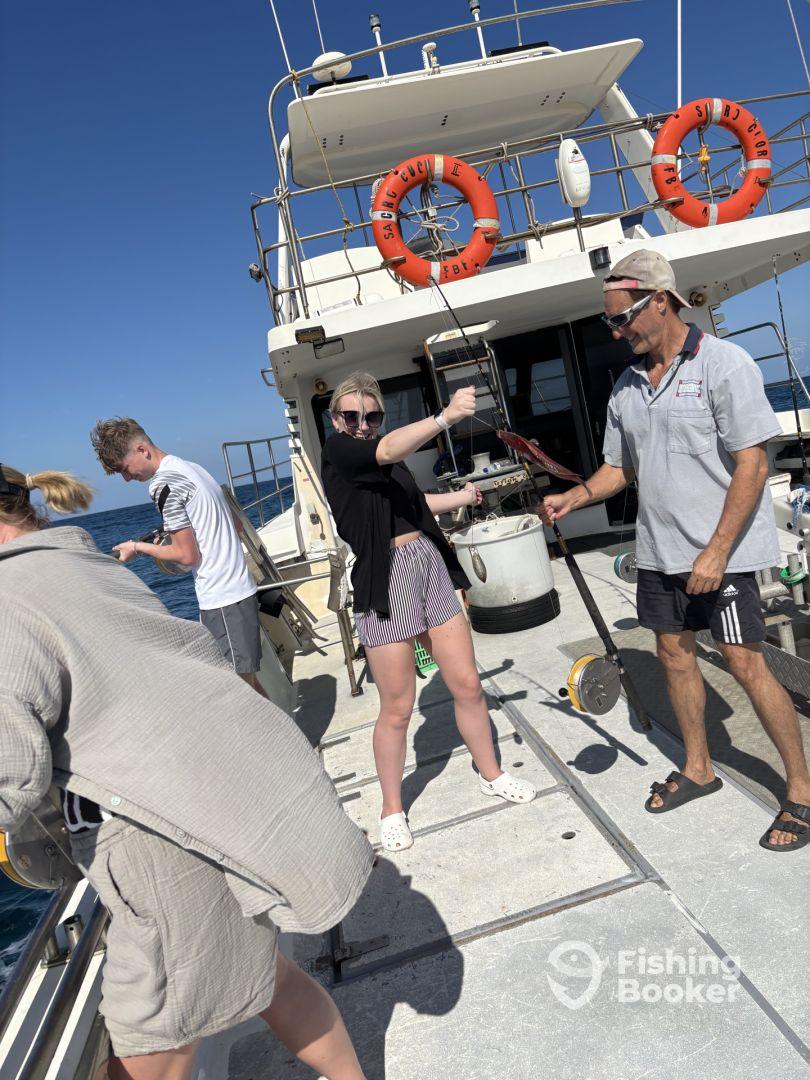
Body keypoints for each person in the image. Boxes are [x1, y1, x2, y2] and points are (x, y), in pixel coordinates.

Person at [0, 461, 373, 1080]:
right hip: (224, 797)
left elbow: (10, 768)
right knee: (272, 981)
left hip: (159, 832)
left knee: (152, 1037)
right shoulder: (82, 564)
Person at [540, 249, 810, 853]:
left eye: (620, 319)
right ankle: (699, 768)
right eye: (608, 322)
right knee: (673, 655)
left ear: (659, 301)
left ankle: (802, 790)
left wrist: (715, 552)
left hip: (724, 556)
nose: (615, 331)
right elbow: (619, 469)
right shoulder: (627, 387)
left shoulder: (724, 365)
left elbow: (753, 463)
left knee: (744, 663)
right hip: (660, 555)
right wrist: (574, 497)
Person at [320, 372, 537, 854]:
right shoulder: (341, 453)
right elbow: (388, 451)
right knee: (398, 707)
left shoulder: (389, 459)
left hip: (428, 567)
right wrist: (445, 417)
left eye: (371, 416)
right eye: (351, 416)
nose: (361, 424)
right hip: (386, 578)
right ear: (336, 419)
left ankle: (492, 773)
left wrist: (462, 498)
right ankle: (392, 808)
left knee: (468, 685)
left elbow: (415, 505)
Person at [90, 418, 267, 697]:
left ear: (142, 449)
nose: (126, 478)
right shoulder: (193, 468)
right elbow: (235, 525)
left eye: (125, 469)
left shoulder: (163, 485)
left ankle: (280, 740)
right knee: (249, 686)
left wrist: (138, 547)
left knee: (242, 695)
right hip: (240, 589)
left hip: (221, 598)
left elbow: (186, 556)